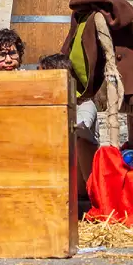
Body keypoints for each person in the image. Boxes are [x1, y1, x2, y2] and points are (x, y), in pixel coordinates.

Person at [39, 52, 98, 197]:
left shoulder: (84, 103)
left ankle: (91, 198)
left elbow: (80, 125)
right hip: (53, 171)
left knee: (81, 143)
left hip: (78, 175)